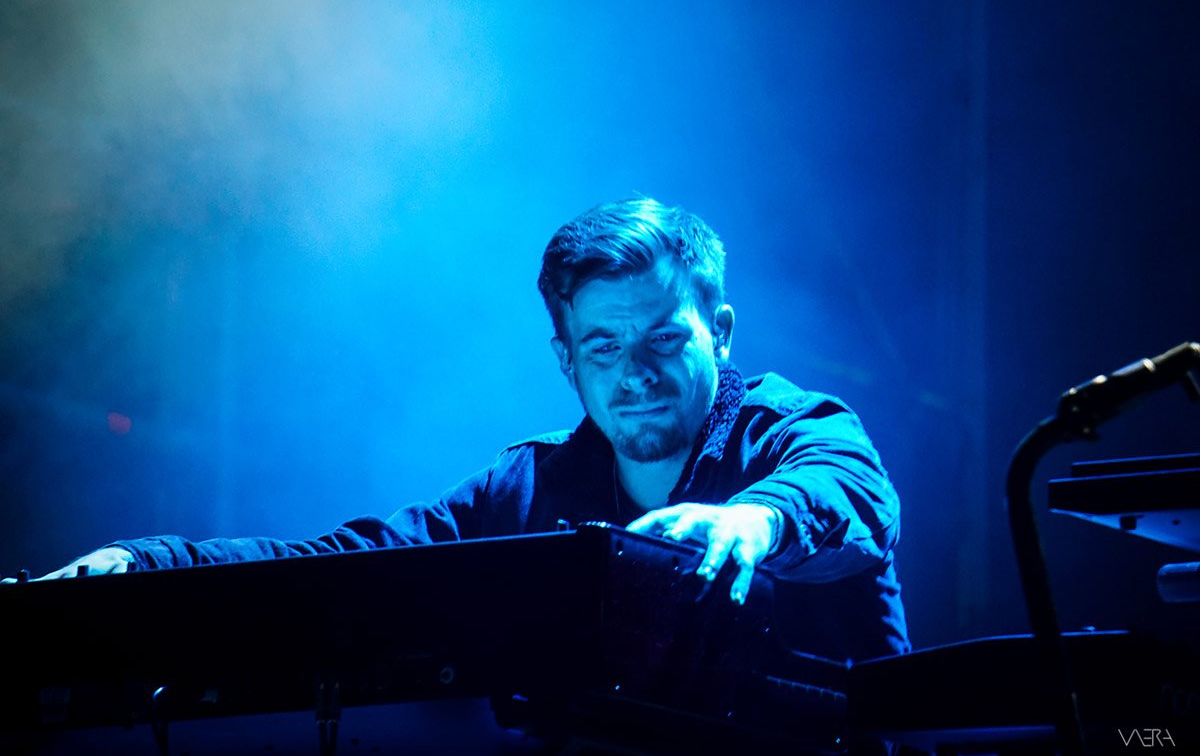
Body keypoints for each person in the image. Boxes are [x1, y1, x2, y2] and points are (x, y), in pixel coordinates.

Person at [13, 196, 909, 661]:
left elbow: (849, 491)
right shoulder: (526, 490)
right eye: (603, 346)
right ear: (567, 361)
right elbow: (349, 561)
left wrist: (755, 521)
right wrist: (148, 565)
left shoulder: (791, 430)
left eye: (665, 339)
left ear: (720, 332)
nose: (635, 372)